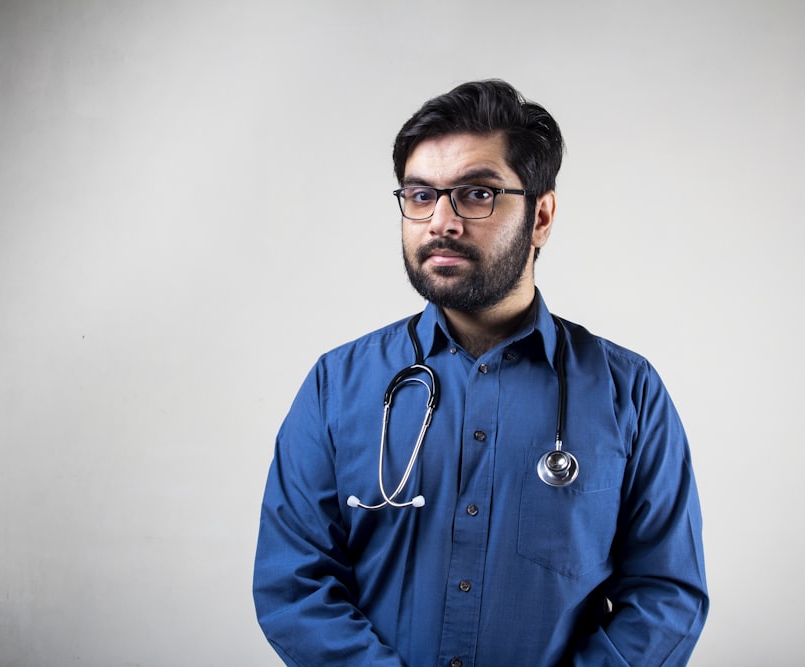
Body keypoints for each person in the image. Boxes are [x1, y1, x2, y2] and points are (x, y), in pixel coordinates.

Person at [253, 79, 708, 666]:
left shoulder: (628, 392)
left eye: (476, 194)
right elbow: (295, 587)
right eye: (420, 196)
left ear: (540, 216)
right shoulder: (336, 386)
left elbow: (667, 594)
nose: (441, 221)